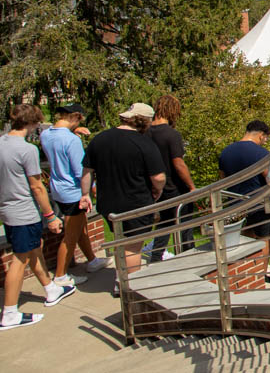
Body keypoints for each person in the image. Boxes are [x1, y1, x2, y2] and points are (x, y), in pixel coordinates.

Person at [1, 104, 72, 330]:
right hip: (24, 211)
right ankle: (10, 313)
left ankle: (50, 288)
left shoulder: (1, 143)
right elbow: (37, 186)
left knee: (35, 247)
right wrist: (50, 215)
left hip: (7, 209)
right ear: (31, 124)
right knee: (20, 259)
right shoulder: (27, 150)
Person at [81, 102, 166, 283]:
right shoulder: (144, 143)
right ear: (144, 121)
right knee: (132, 247)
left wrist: (85, 194)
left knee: (120, 243)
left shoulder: (99, 139)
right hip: (136, 203)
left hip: (107, 202)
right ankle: (130, 286)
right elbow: (158, 178)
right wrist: (158, 190)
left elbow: (87, 170)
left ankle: (121, 281)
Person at [41, 104, 106, 283]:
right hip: (73, 191)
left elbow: (58, 139)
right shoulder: (72, 141)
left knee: (80, 228)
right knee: (70, 236)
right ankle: (60, 276)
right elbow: (81, 171)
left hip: (57, 189)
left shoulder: (45, 134)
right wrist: (92, 190)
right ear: (76, 116)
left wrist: (74, 129)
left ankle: (92, 260)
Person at [217, 120, 270, 261]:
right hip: (260, 204)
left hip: (235, 205)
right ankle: (262, 274)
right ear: (261, 135)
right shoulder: (262, 153)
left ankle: (248, 272)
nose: (265, 142)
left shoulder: (226, 152)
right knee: (264, 239)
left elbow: (223, 178)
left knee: (243, 237)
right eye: (266, 138)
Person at [147, 95, 196, 262]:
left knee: (165, 222)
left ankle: (155, 255)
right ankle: (188, 254)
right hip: (174, 185)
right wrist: (191, 186)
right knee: (185, 221)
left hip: (155, 186)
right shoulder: (171, 135)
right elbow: (178, 163)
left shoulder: (145, 132)